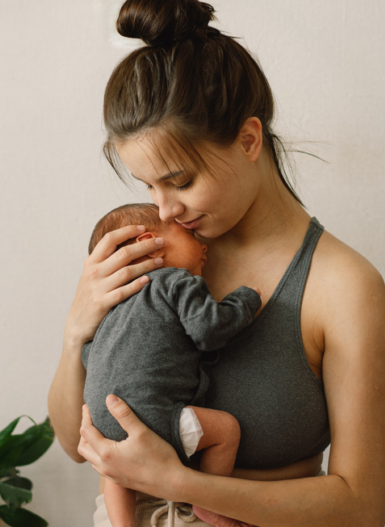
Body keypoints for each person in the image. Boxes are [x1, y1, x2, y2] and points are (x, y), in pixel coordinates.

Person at [47, 0, 385, 527]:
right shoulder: (157, 254)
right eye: (147, 185)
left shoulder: (342, 286)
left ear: (249, 139)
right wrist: (75, 332)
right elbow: (76, 443)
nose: (164, 208)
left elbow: (361, 508)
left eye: (180, 181)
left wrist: (180, 483)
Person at [83, 203, 261, 527]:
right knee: (226, 431)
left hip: (101, 418)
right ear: (150, 244)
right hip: (155, 416)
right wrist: (244, 302)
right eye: (190, 234)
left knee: (115, 470)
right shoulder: (176, 280)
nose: (204, 246)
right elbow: (209, 329)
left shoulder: (110, 309)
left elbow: (89, 354)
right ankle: (209, 505)